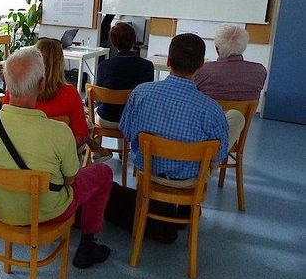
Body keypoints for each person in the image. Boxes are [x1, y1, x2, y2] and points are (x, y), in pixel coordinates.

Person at [0, 47, 113, 269]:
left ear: (5, 82)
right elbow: (70, 179)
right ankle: (87, 245)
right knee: (103, 173)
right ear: (40, 84)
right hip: (48, 213)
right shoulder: (59, 132)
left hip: (0, 210)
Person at [120, 33, 231, 187]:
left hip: (147, 173)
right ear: (201, 65)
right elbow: (217, 156)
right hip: (189, 181)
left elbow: (127, 133)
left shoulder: (140, 93)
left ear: (168, 61)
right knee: (232, 120)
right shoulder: (211, 108)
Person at [4, 38, 113, 162]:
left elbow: (6, 121)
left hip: (17, 158)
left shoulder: (15, 92)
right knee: (86, 126)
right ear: (60, 63)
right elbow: (80, 137)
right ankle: (95, 151)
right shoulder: (70, 94)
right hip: (57, 162)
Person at [95, 22, 154, 128]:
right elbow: (147, 97)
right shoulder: (147, 66)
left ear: (113, 43)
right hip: (133, 119)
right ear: (134, 40)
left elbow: (99, 95)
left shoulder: (104, 65)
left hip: (107, 118)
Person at [194, 24, 267, 101]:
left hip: (210, 112)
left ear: (217, 48)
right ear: (244, 47)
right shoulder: (259, 71)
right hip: (245, 113)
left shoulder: (203, 70)